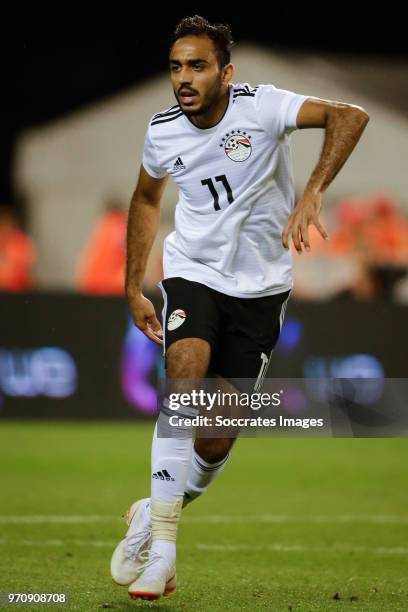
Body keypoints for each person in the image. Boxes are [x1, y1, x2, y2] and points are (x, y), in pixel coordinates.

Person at [110, 15, 369, 601]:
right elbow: (147, 198)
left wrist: (314, 189)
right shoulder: (163, 131)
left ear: (226, 73)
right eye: (176, 66)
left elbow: (350, 116)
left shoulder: (263, 107)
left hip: (261, 287)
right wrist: (132, 286)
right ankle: (166, 557)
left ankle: (153, 510)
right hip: (193, 273)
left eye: (197, 66)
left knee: (216, 437)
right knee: (185, 381)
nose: (184, 78)